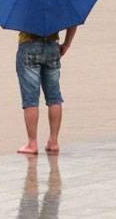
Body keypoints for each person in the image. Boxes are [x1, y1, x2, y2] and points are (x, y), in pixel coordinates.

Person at [16, 27, 77, 155]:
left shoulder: (26, 5)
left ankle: (32, 143)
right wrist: (67, 44)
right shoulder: (59, 5)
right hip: (52, 45)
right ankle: (53, 141)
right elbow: (73, 22)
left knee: (31, 99)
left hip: (28, 44)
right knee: (54, 97)